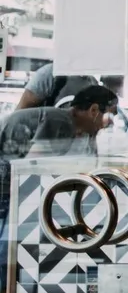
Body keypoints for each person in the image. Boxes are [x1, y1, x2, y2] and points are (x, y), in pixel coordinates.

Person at [0, 85, 118, 272]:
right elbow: (33, 169)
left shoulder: (63, 121)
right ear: (94, 110)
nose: (108, 124)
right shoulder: (60, 122)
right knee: (6, 251)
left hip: (6, 181)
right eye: (110, 116)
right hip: (4, 184)